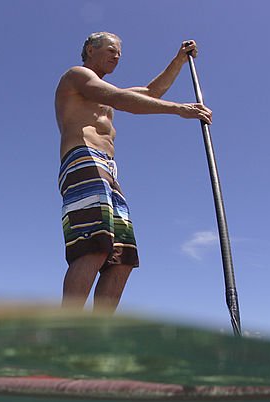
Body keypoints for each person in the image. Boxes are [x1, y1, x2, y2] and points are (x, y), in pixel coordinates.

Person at [55, 33, 213, 312]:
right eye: (112, 50)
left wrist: (178, 60)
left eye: (120, 53)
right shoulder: (77, 76)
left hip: (109, 170)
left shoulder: (101, 88)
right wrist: (180, 109)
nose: (117, 56)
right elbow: (121, 99)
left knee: (123, 257)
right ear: (91, 49)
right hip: (83, 160)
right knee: (94, 245)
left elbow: (151, 93)